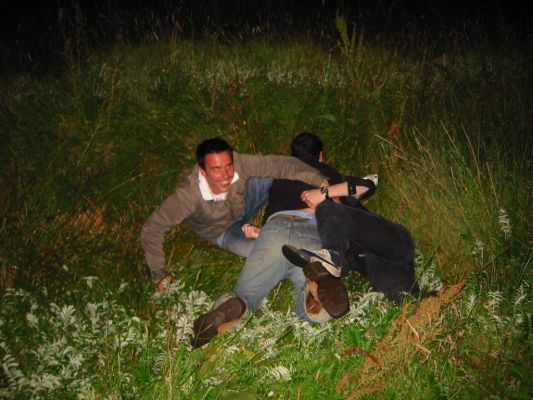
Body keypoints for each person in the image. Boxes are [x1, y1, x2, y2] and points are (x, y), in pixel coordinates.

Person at [191, 133, 375, 347]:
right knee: (313, 305)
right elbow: (346, 212)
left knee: (245, 298)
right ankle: (314, 294)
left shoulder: (280, 176)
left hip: (276, 230)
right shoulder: (331, 175)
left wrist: (258, 233)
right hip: (314, 235)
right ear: (321, 156)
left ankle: (232, 307)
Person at [141, 137, 326, 291]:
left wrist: (323, 184)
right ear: (202, 171)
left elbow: (280, 164)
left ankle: (309, 210)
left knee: (282, 172)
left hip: (246, 201)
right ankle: (313, 267)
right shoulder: (187, 196)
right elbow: (152, 229)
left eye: (228, 166)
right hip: (222, 229)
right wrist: (159, 274)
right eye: (216, 170)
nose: (225, 175)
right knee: (267, 252)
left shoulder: (239, 163)